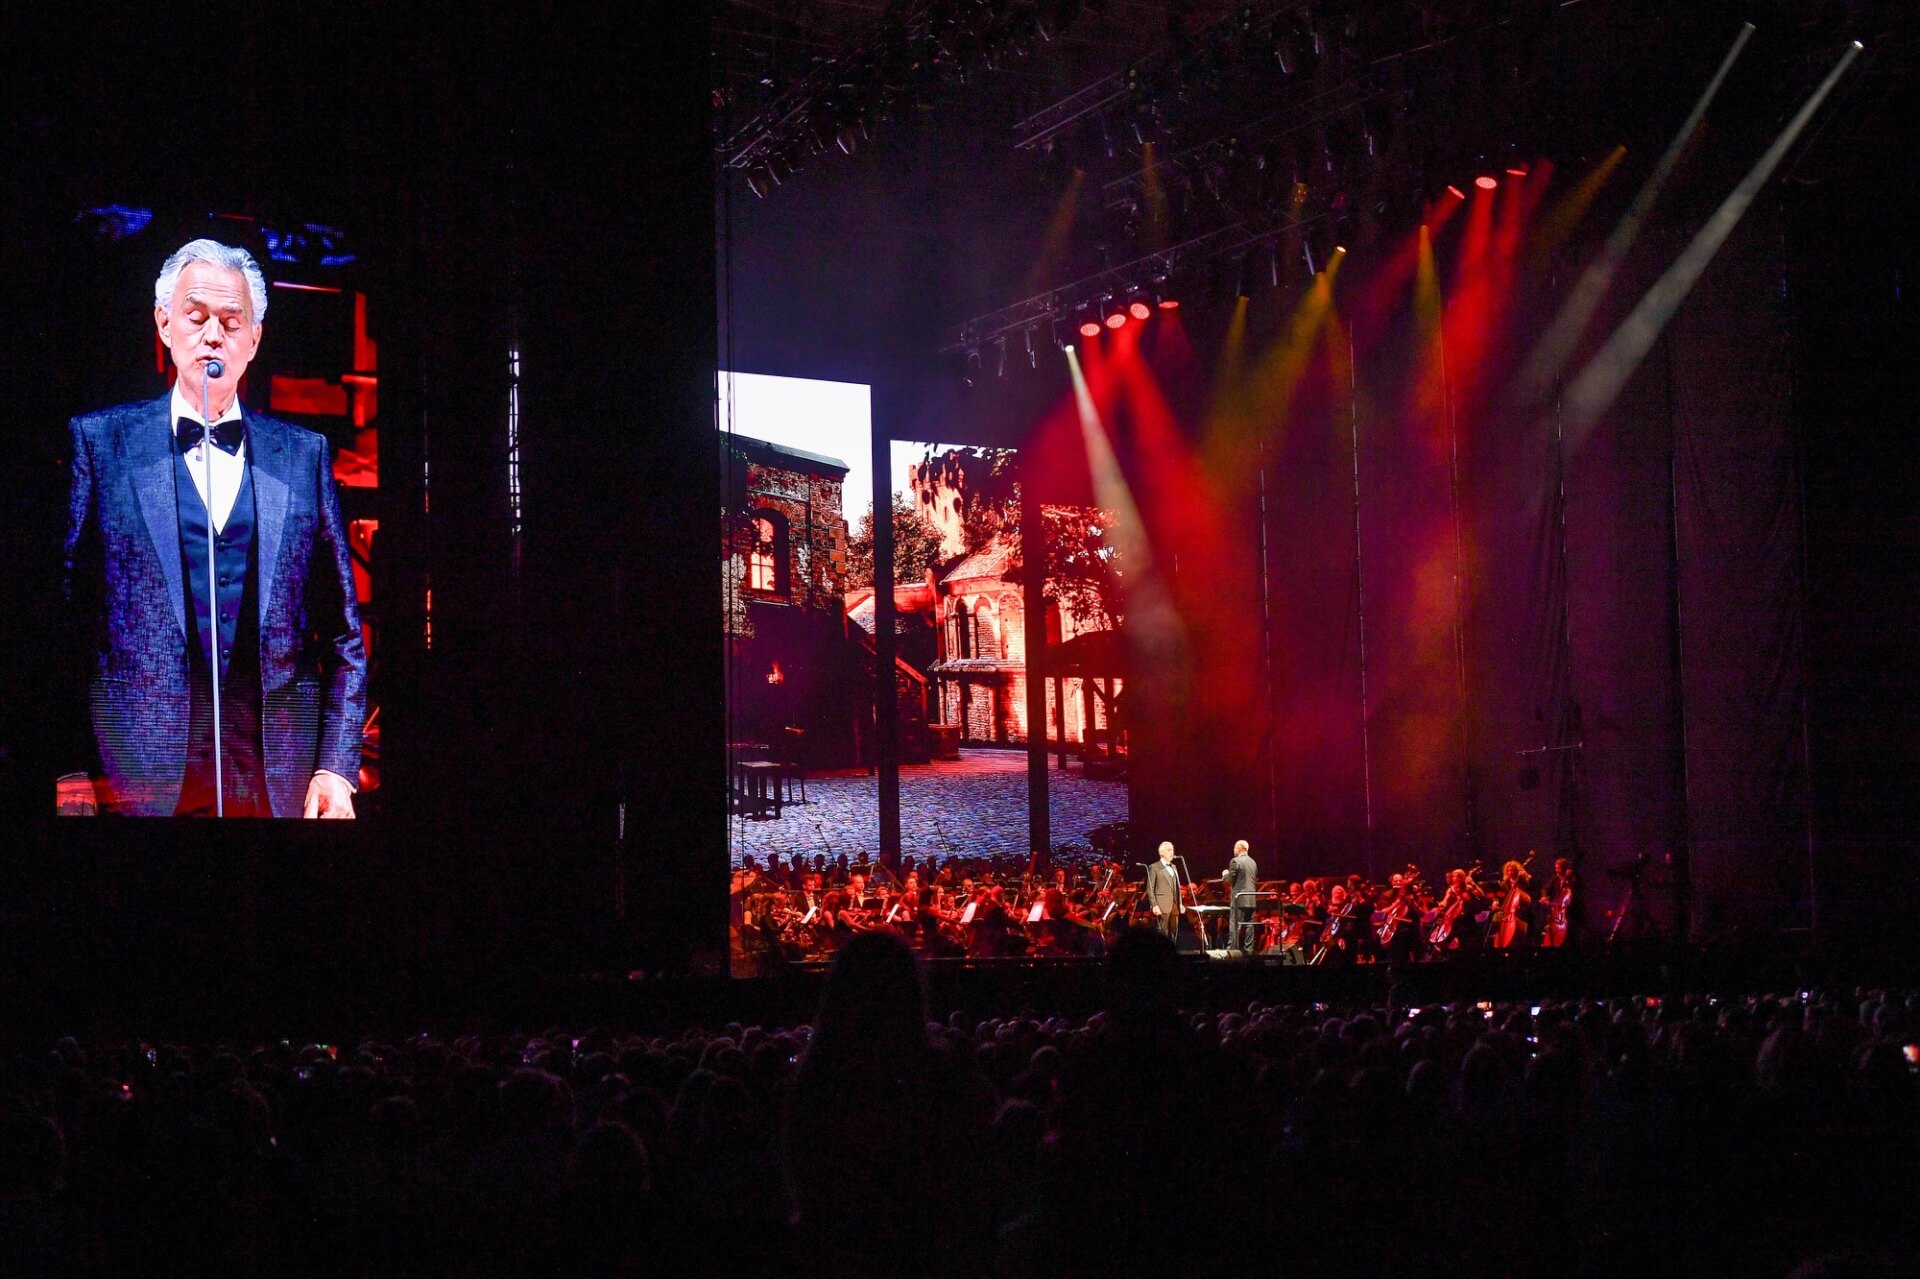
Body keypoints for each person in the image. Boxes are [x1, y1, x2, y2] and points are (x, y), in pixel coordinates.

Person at [62, 239, 365, 816]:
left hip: (277, 776)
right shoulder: (100, 446)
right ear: (164, 322)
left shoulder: (304, 455)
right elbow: (62, 626)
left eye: (232, 321)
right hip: (136, 776)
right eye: (197, 317)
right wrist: (67, 765)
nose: (213, 335)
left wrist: (336, 765)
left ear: (254, 339)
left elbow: (344, 632)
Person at [1222, 839, 1259, 956]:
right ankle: (1249, 951)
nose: (1233, 850)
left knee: (1235, 924)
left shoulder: (1235, 861)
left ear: (1239, 848)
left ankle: (1232, 951)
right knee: (1249, 925)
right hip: (1251, 899)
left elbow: (1229, 880)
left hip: (1239, 899)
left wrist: (1224, 874)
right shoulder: (1253, 862)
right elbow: (1256, 878)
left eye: (1234, 848)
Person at [1145, 841, 1183, 945]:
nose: (1172, 852)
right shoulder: (1155, 867)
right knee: (1162, 933)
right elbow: (1150, 888)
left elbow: (1177, 886)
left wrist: (1180, 903)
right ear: (1162, 852)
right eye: (1169, 850)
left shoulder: (1174, 867)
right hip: (1162, 905)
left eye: (1172, 850)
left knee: (1174, 933)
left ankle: (1172, 954)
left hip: (1174, 906)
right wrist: (1154, 905)